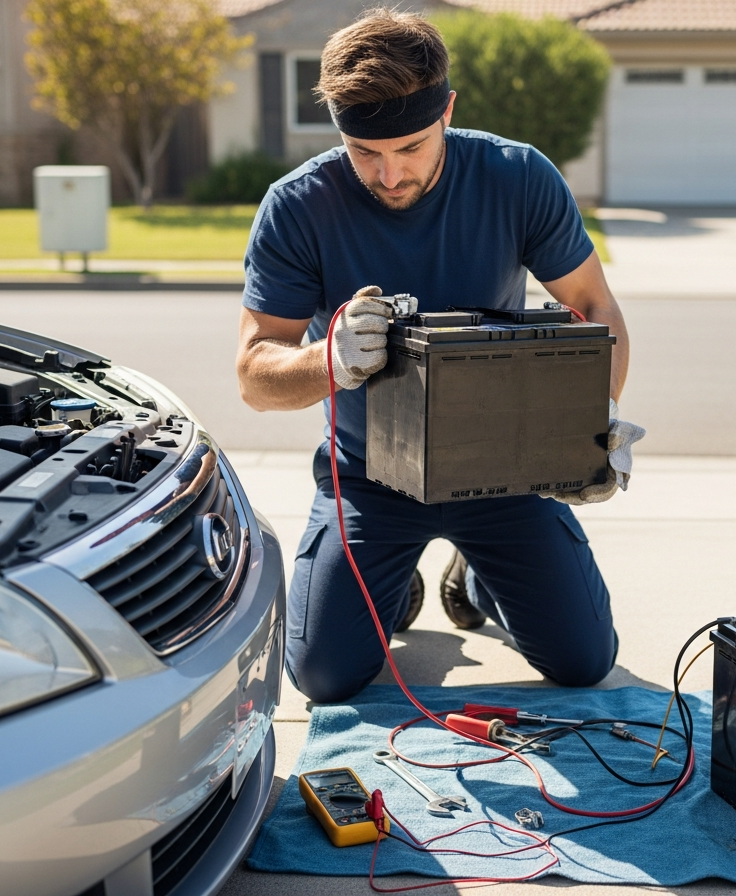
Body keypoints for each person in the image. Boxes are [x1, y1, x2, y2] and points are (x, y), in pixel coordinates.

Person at [236, 8, 644, 703]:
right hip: (369, 482)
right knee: (325, 676)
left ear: (447, 110)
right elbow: (254, 373)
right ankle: (392, 587)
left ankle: (480, 577)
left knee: (583, 662)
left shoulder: (517, 176)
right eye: (364, 151)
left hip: (502, 473)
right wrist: (325, 360)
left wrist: (585, 433)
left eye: (411, 148)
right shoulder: (299, 205)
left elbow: (595, 309)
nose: (389, 174)